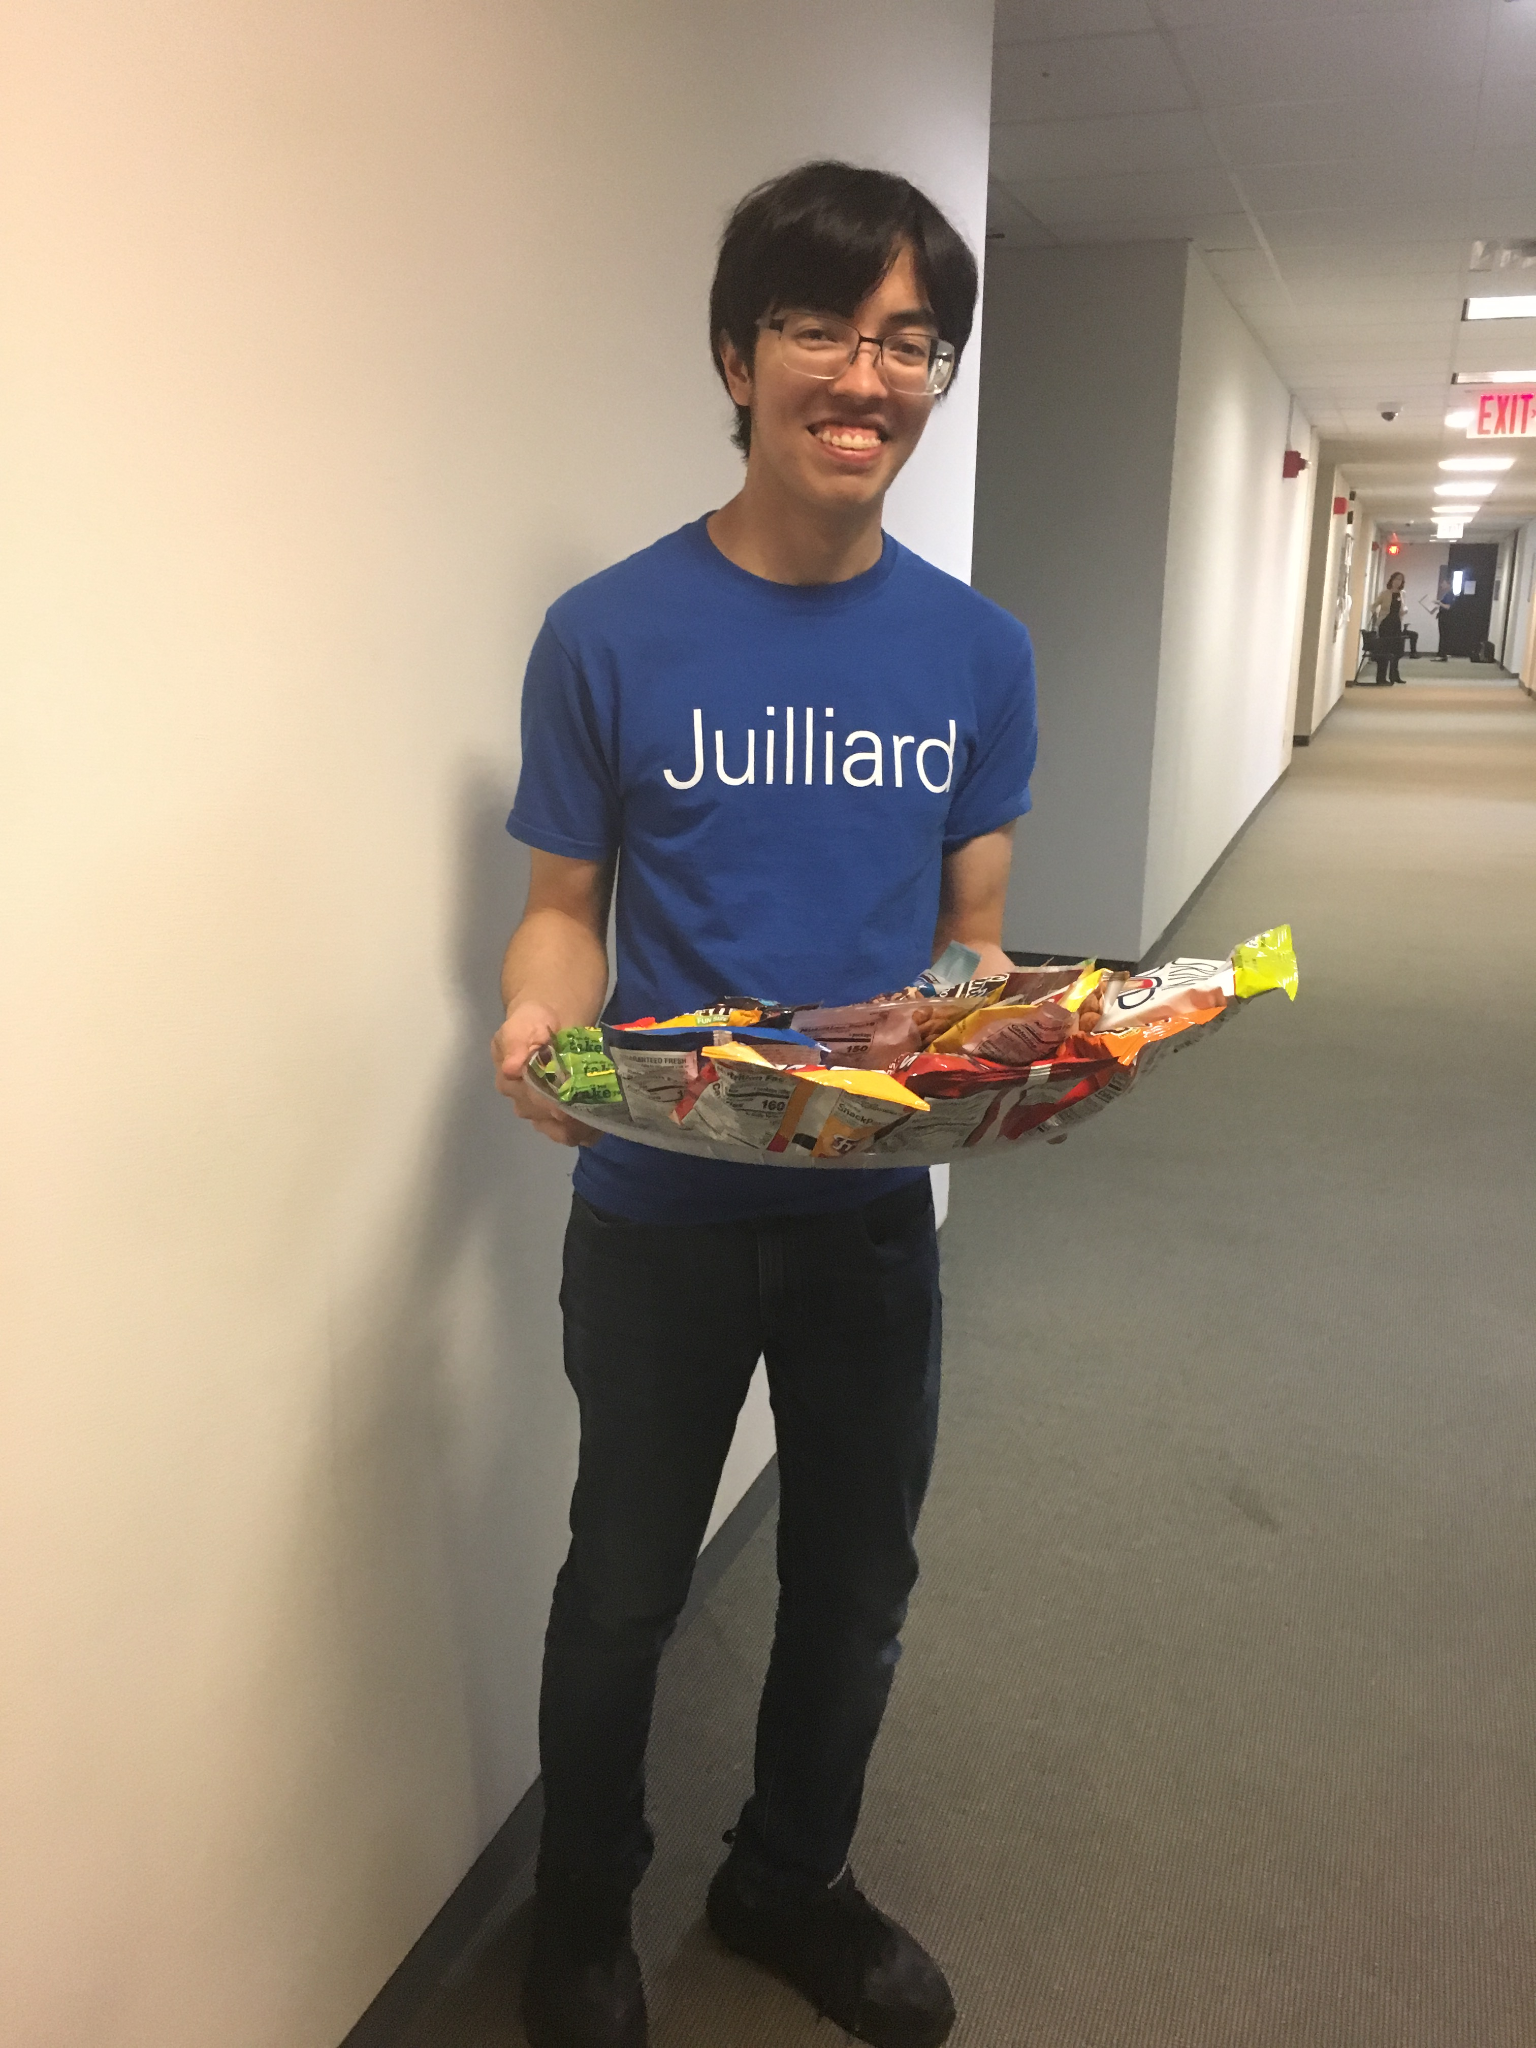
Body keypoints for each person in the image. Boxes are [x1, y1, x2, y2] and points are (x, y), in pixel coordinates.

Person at [492, 160, 1037, 2048]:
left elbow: (974, 938)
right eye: (824, 326)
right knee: (625, 1586)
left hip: (867, 1218)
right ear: (737, 353)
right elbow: (562, 918)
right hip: (657, 1219)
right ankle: (580, 1911)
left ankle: (786, 1875)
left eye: (914, 341)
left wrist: (993, 1046)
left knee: (853, 1585)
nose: (870, 375)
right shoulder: (608, 633)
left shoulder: (980, 654)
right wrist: (531, 1032)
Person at [1370, 571, 1408, 684]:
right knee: (1384, 651)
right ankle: (1381, 678)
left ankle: (1394, 675)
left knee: (1396, 651)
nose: (1398, 582)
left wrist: (1405, 610)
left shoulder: (1402, 594)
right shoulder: (1385, 593)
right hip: (1385, 624)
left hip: (1396, 623)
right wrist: (1376, 616)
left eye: (1400, 580)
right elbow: (1374, 606)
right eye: (1396, 579)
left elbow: (1403, 607)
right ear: (1391, 580)